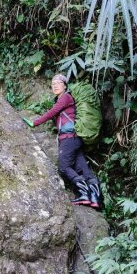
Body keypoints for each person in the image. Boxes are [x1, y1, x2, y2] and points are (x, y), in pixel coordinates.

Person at [22, 74, 101, 208]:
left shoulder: (65, 97)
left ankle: (84, 194)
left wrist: (35, 123)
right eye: (53, 84)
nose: (55, 85)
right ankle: (95, 199)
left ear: (65, 85)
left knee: (64, 167)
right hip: (76, 138)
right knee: (83, 169)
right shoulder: (66, 99)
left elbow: (52, 112)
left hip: (69, 138)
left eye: (58, 83)